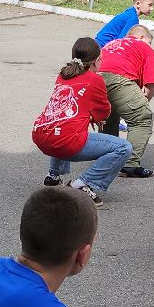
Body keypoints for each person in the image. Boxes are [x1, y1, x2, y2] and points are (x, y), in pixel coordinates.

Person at [33, 37, 131, 201]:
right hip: (66, 142)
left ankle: (53, 176)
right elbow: (104, 113)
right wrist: (93, 116)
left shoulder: (64, 74)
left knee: (62, 126)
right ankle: (83, 183)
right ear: (94, 62)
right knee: (123, 148)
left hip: (41, 134)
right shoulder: (96, 79)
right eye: (100, 59)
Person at [96, 25, 154, 178]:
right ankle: (129, 165)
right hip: (119, 79)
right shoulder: (145, 48)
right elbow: (152, 82)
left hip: (96, 79)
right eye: (149, 42)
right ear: (141, 37)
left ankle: (108, 158)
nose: (150, 46)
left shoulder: (111, 44)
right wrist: (143, 102)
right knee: (141, 118)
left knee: (109, 118)